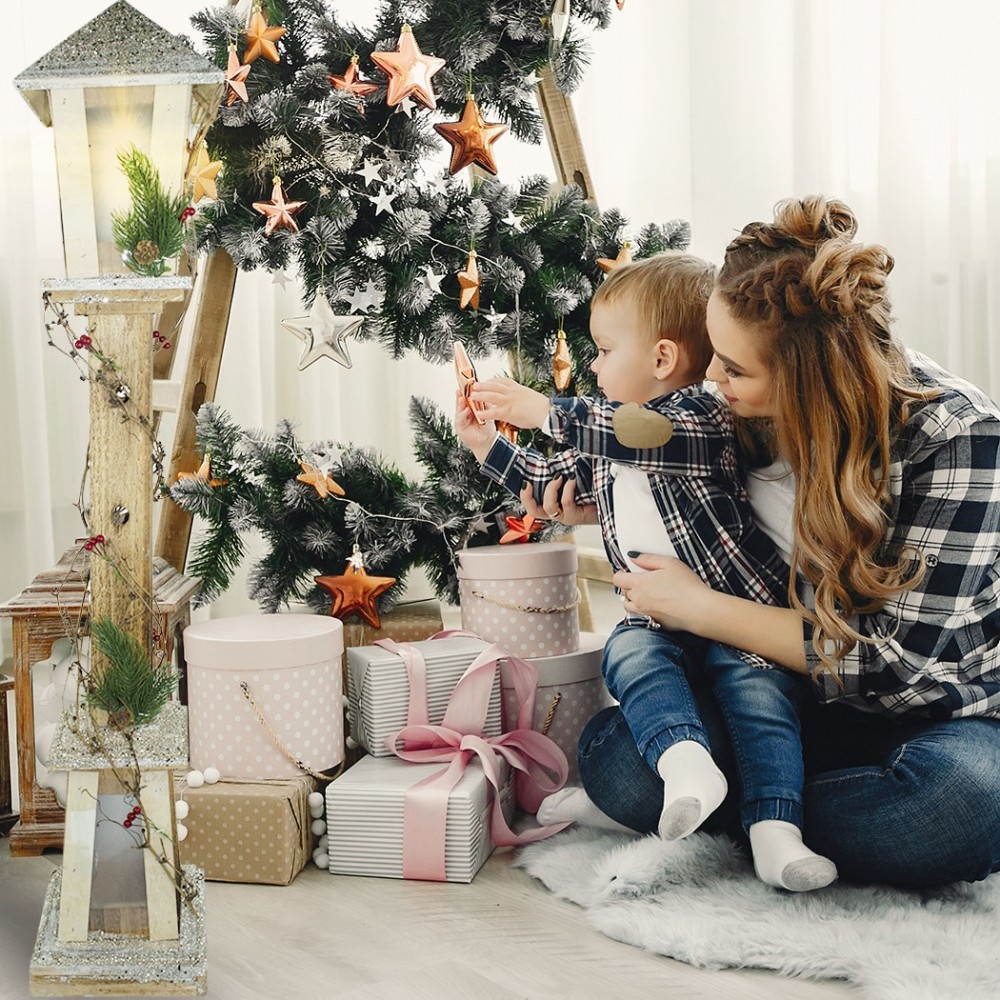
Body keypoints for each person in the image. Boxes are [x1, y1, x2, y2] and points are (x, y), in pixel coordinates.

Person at [526, 196, 1000, 890]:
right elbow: (684, 492)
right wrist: (592, 505)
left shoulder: (959, 439)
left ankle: (760, 809)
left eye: (735, 368)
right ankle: (773, 815)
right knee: (624, 767)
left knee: (963, 806)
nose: (712, 379)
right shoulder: (737, 409)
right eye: (716, 357)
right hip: (778, 697)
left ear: (813, 377)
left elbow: (893, 668)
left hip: (929, 718)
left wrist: (697, 610)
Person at [456, 252, 839, 891]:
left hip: (738, 620)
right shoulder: (606, 446)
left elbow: (643, 433)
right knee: (628, 654)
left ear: (662, 359)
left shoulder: (700, 418)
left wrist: (546, 411)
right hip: (657, 618)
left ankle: (777, 828)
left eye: (604, 350)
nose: (593, 366)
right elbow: (549, 482)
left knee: (760, 703)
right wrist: (484, 444)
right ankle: (685, 760)